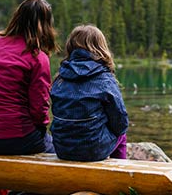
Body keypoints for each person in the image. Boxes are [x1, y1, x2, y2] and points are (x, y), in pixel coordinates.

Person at [0, 0, 58, 155]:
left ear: (17, 18)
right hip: (16, 138)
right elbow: (39, 109)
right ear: (45, 26)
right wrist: (42, 128)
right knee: (59, 150)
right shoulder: (37, 57)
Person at [50, 24, 129, 161]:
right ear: (100, 48)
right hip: (93, 151)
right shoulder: (104, 77)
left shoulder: (60, 76)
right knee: (121, 134)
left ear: (71, 46)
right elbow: (121, 121)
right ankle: (119, 175)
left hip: (62, 149)